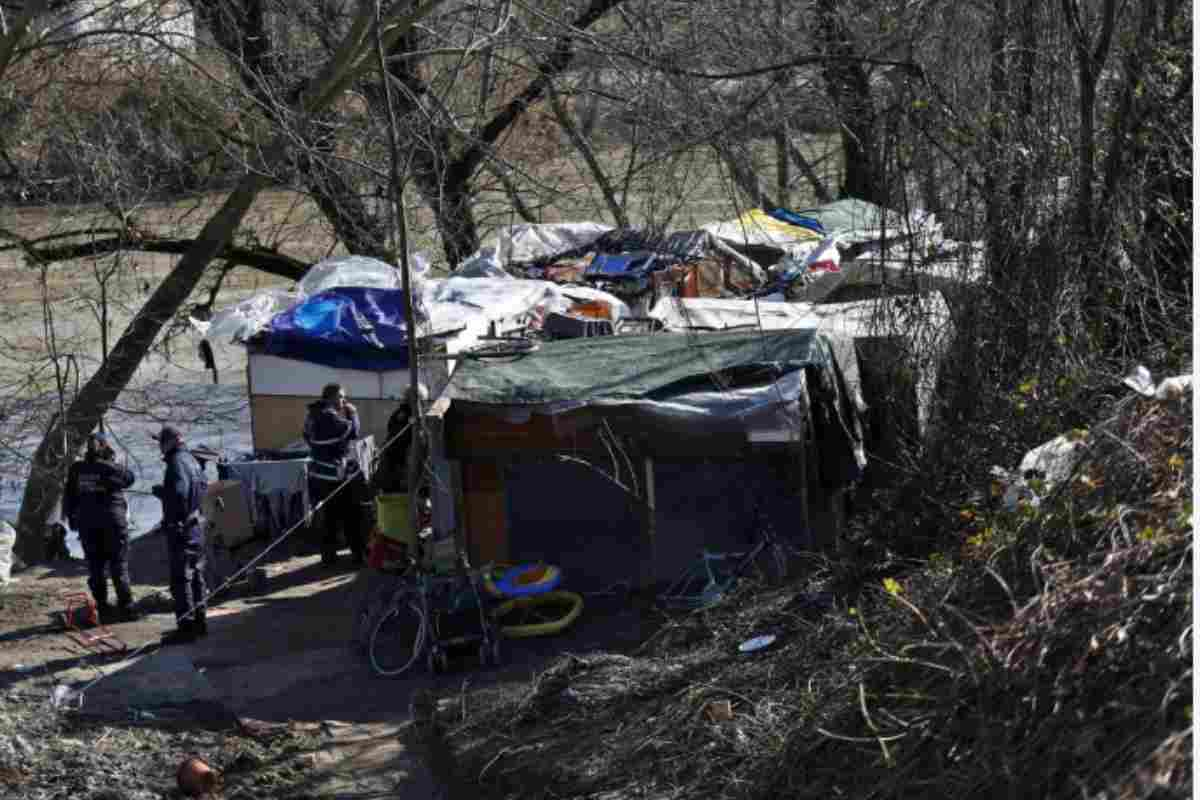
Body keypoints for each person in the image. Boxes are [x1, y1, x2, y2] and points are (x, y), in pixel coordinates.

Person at [63, 432, 138, 624]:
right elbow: (130, 478)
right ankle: (127, 608)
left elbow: (69, 496)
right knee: (118, 566)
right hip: (113, 523)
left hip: (88, 525)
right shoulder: (109, 468)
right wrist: (111, 460)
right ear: (105, 447)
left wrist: (72, 519)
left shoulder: (76, 469)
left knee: (95, 567)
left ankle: (103, 608)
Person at [151, 426, 209, 646]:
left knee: (181, 579)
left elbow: (178, 493)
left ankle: (186, 628)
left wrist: (161, 493)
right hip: (196, 525)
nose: (159, 446)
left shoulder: (176, 463)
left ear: (170, 442)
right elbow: (203, 486)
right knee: (196, 576)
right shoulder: (193, 460)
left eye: (161, 442)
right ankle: (200, 624)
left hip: (181, 529)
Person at [304, 383, 365, 566]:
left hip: (318, 475)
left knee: (328, 516)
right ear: (331, 397)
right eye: (341, 397)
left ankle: (328, 556)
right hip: (334, 476)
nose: (344, 400)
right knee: (350, 514)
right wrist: (353, 413)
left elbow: (307, 438)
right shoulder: (327, 417)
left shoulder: (311, 415)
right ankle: (357, 555)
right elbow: (353, 432)